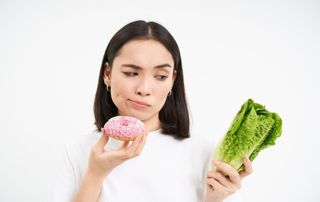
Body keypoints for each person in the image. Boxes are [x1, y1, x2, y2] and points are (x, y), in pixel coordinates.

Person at [53, 20, 253, 202]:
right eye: (131, 73)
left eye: (160, 76)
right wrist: (95, 175)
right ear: (107, 73)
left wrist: (214, 200)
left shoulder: (206, 152)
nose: (144, 89)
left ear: (172, 82)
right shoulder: (79, 150)